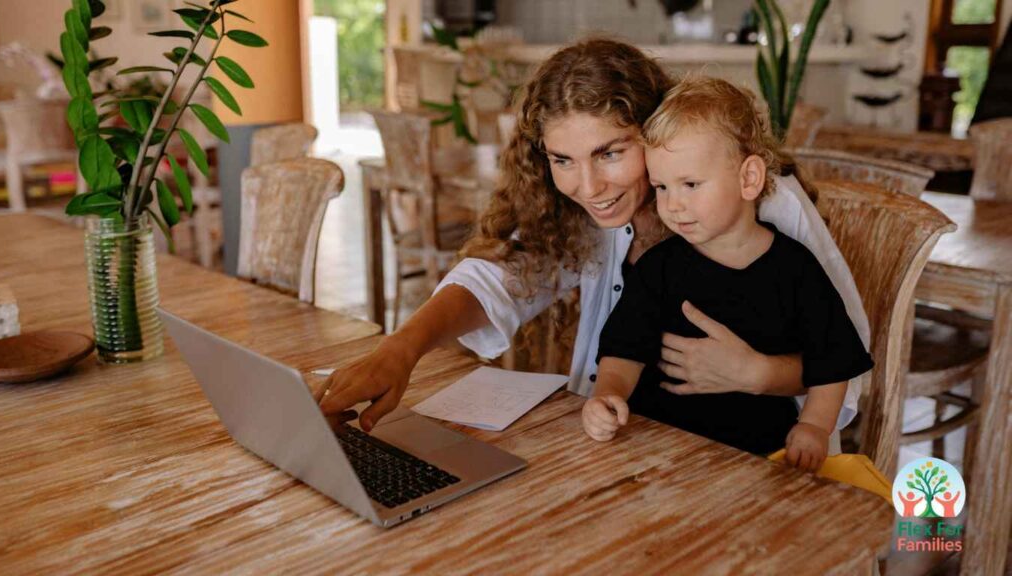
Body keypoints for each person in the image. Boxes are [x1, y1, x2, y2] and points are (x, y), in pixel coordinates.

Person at [319, 38, 869, 455]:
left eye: (609, 153)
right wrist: (401, 349)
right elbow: (496, 279)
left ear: (655, 130)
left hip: (754, 456)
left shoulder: (766, 204)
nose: (588, 187)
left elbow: (848, 367)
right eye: (563, 160)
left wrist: (758, 374)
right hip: (625, 443)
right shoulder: (582, 212)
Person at [580, 76, 874, 470]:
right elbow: (623, 351)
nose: (673, 205)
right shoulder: (658, 268)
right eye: (662, 187)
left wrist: (815, 427)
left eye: (690, 184)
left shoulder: (797, 270)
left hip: (758, 454)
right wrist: (607, 395)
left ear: (748, 179)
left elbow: (832, 361)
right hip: (659, 450)